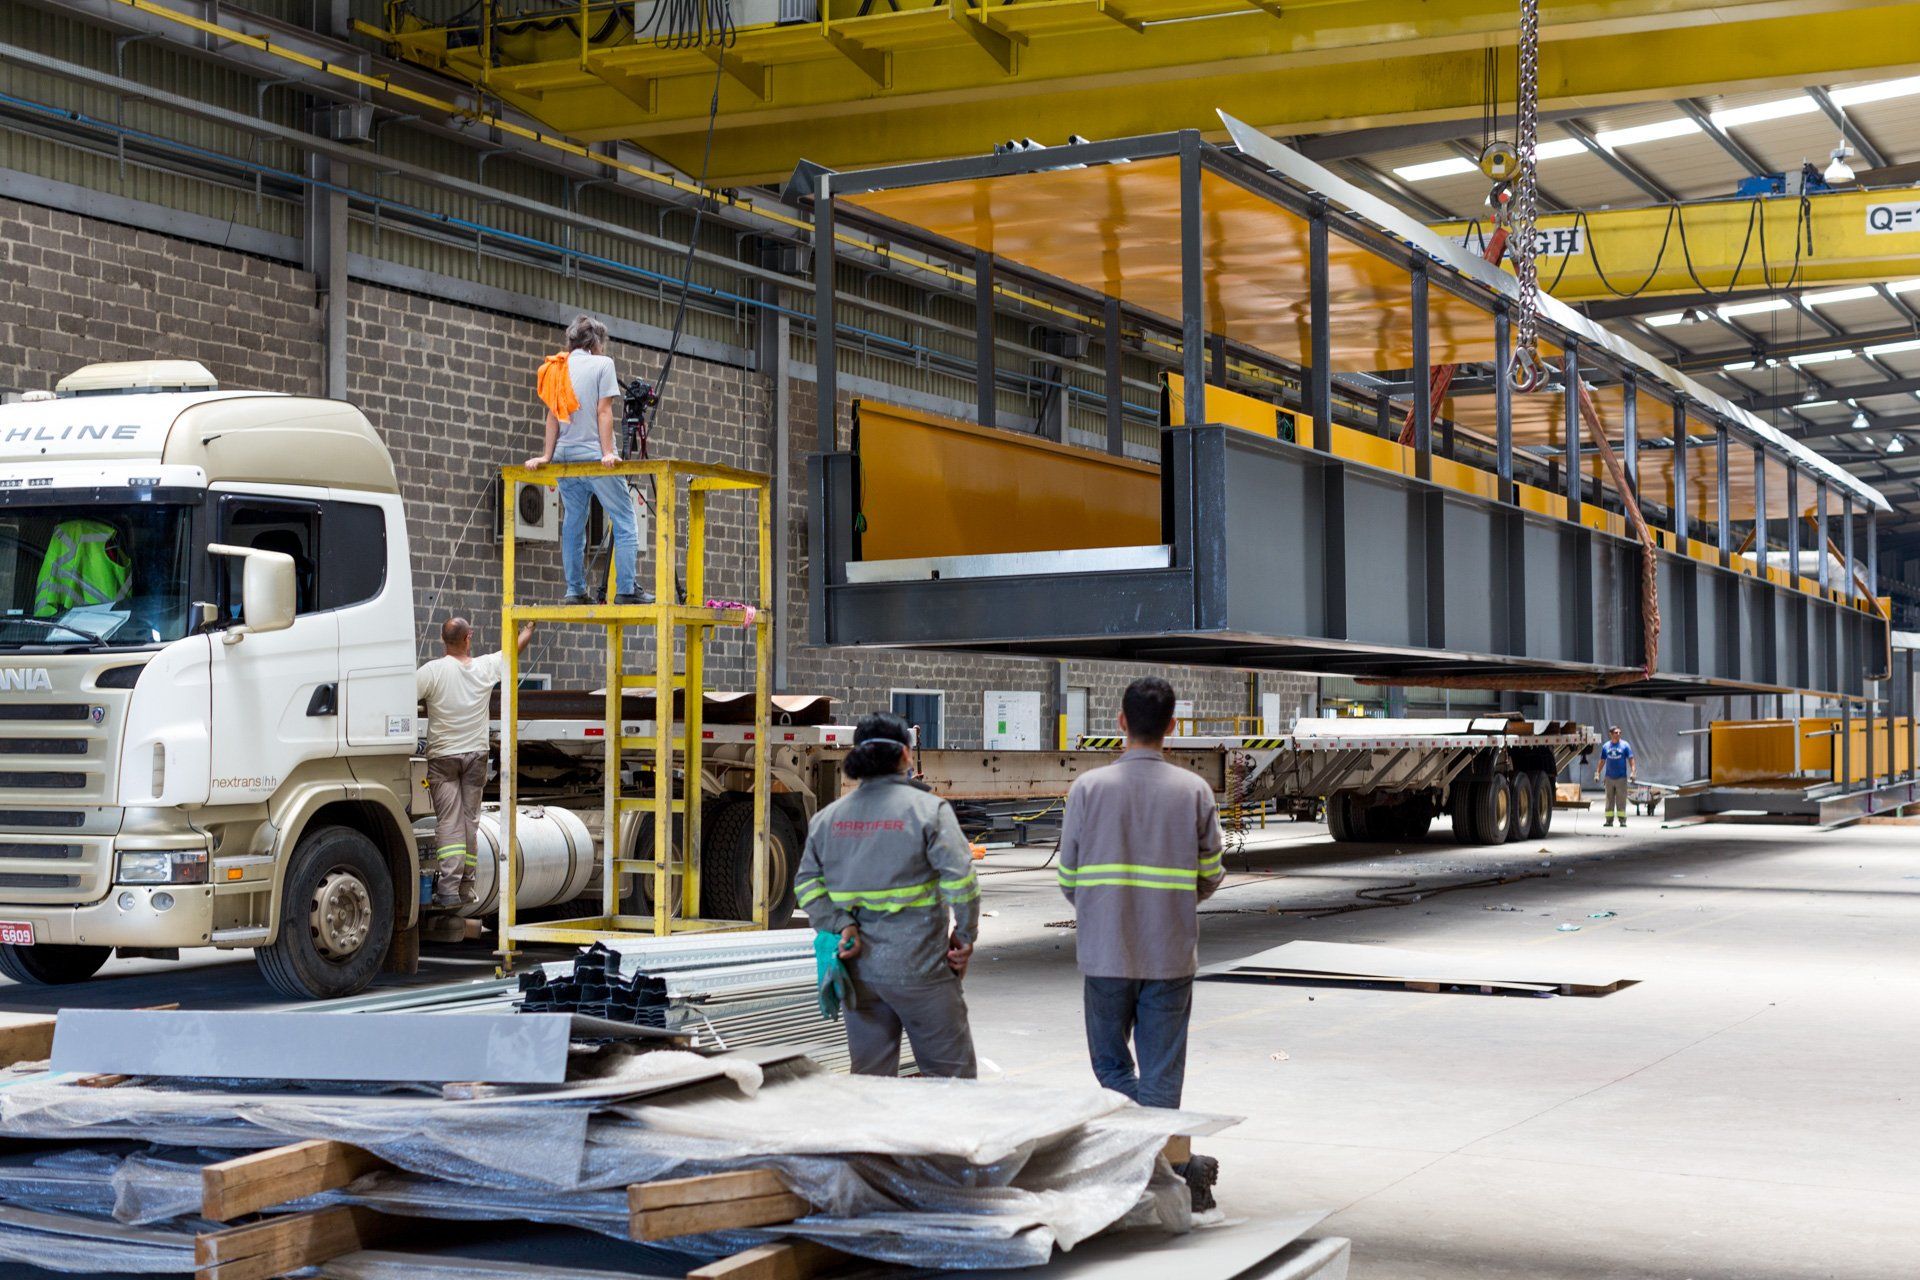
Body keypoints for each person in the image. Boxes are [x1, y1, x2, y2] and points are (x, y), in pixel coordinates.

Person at [1058, 675, 1223, 1108]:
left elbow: (1068, 876)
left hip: (1106, 951)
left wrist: (1103, 910)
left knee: (1110, 1066)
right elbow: (1211, 872)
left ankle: (1154, 1153)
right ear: (1171, 726)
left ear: (1121, 721)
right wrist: (1170, 904)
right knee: (1163, 1072)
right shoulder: (1195, 791)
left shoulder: (1087, 789)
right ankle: (1165, 1158)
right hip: (1169, 953)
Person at [796, 713, 980, 1078]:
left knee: (870, 1086)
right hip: (922, 970)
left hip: (859, 972)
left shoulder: (827, 819)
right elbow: (962, 882)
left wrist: (841, 924)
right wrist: (965, 936)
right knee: (953, 1085)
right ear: (906, 757)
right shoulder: (929, 811)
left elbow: (806, 885)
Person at [525, 314, 648, 606]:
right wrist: (607, 452)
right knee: (625, 518)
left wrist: (547, 455)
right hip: (594, 455)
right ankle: (627, 588)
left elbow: (552, 415)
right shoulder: (602, 364)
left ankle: (575, 590)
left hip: (566, 458)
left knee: (573, 523)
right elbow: (603, 412)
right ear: (595, 342)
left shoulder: (558, 367)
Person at [416, 615, 533, 906]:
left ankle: (447, 890)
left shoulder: (431, 672)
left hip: (443, 758)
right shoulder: (484, 667)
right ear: (469, 638)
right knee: (470, 822)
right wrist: (529, 628)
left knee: (449, 823)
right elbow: (513, 650)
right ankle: (467, 887)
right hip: (476, 757)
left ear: (443, 640)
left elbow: (403, 699)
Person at [1596, 725, 1635, 828]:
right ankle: (1609, 821)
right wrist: (1597, 773)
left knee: (1621, 800)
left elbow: (1631, 759)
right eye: (1616, 733)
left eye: (1619, 733)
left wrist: (1633, 771)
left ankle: (1622, 821)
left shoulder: (1625, 746)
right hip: (1609, 778)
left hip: (1621, 778)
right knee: (1609, 800)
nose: (1618, 734)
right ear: (1611, 734)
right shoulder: (1606, 746)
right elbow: (1602, 761)